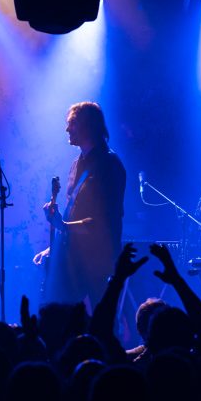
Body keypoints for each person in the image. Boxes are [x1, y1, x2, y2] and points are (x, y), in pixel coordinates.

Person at [34, 101, 126, 308]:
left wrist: (64, 226)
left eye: (72, 123)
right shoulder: (77, 164)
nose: (67, 129)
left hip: (99, 261)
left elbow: (103, 222)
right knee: (64, 322)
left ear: (89, 126)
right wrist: (54, 246)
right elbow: (75, 213)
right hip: (74, 260)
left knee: (103, 323)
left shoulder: (109, 164)